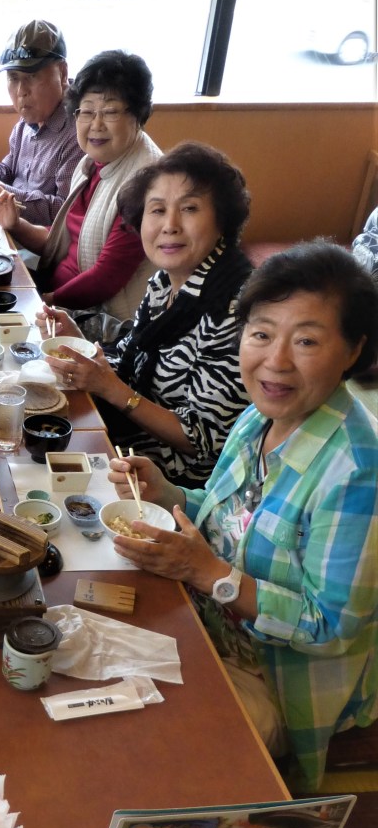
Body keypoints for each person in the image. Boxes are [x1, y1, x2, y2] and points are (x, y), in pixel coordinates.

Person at [107, 241, 378, 792]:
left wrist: (209, 574)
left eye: (306, 340)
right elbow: (228, 516)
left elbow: (330, 627)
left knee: (144, 754)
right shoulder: (260, 416)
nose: (276, 361)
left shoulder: (358, 472)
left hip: (275, 678)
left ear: (353, 350)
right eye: (261, 334)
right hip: (206, 626)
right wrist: (168, 493)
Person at [43, 142, 254, 487]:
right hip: (127, 442)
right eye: (157, 210)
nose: (170, 225)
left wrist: (112, 390)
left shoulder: (234, 312)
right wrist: (75, 340)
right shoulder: (164, 283)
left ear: (222, 222)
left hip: (172, 481)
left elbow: (203, 440)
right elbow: (128, 356)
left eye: (189, 208)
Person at [0, 50, 160, 324]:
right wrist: (15, 224)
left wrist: (42, 301)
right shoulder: (92, 163)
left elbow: (105, 279)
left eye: (110, 112)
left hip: (101, 320)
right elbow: (62, 238)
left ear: (138, 115)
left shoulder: (146, 185)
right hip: (57, 291)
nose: (96, 125)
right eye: (87, 112)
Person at [0, 20, 83, 226]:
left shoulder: (79, 132)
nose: (21, 91)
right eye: (13, 77)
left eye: (32, 76)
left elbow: (64, 211)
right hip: (8, 228)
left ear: (62, 73)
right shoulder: (26, 123)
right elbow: (11, 176)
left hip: (39, 243)